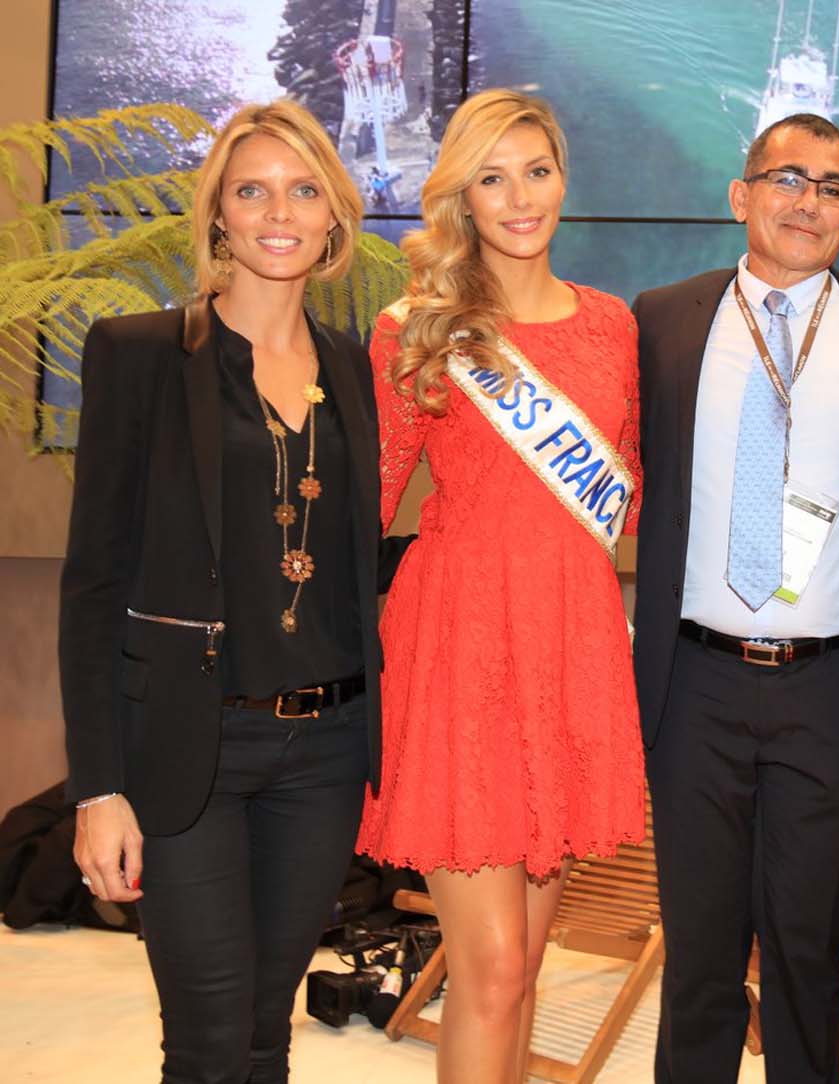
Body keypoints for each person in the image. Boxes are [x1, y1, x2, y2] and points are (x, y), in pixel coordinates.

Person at [62, 99, 401, 1082]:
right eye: (251, 191)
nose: (278, 212)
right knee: (208, 1041)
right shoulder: (140, 355)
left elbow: (341, 560)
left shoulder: (354, 366)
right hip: (189, 748)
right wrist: (98, 785)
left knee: (264, 1027)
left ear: (335, 216)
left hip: (325, 751)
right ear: (218, 216)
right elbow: (91, 587)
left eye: (302, 191)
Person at [631, 113, 839, 1083]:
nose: (809, 202)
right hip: (694, 687)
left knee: (809, 958)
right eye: (788, 179)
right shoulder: (659, 321)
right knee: (699, 964)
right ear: (742, 196)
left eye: (834, 187)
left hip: (830, 692)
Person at [355, 89, 645, 1084]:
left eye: (536, 170)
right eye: (492, 176)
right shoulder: (421, 329)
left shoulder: (612, 328)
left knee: (523, 970)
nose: (519, 197)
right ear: (461, 197)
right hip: (460, 649)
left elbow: (628, 498)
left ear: (563, 177)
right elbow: (361, 503)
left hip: (569, 646)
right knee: (488, 967)